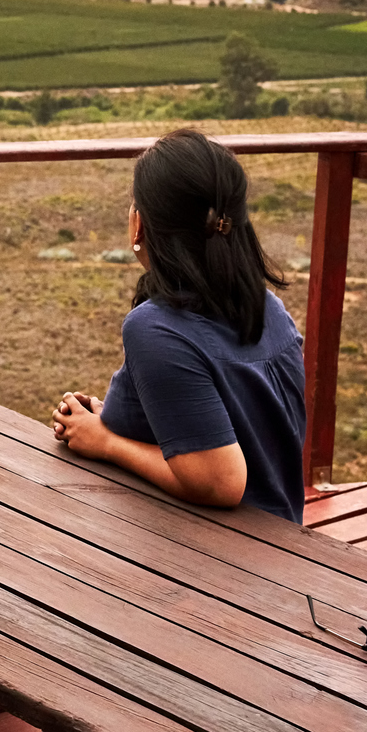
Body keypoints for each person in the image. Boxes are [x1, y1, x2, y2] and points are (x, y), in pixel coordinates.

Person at [50, 127, 307, 522]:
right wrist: (118, 418)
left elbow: (221, 482)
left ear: (140, 226)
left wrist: (105, 443)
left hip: (217, 560)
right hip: (281, 545)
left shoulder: (156, 329)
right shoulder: (267, 308)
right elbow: (232, 421)